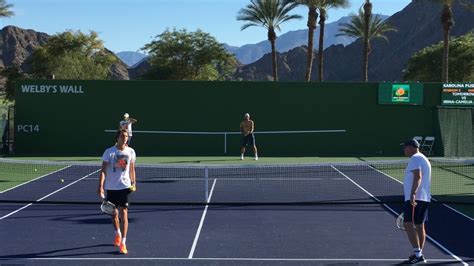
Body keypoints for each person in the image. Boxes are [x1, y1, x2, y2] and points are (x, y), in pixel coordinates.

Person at [97, 129, 137, 254]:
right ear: (117, 138)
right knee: (114, 214)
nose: (125, 138)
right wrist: (100, 186)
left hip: (124, 187)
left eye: (126, 136)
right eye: (122, 136)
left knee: (124, 214)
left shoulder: (131, 151)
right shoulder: (109, 152)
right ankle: (117, 233)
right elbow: (103, 170)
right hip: (111, 188)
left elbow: (132, 169)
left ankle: (123, 243)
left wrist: (133, 182)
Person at [401, 139, 431, 264]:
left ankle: (418, 256)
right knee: (419, 226)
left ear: (412, 147)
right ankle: (418, 253)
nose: (404, 149)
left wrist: (413, 193)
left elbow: (418, 177)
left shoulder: (415, 158)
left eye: (405, 147)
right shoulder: (422, 157)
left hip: (415, 198)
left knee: (408, 224)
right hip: (423, 197)